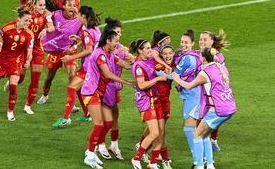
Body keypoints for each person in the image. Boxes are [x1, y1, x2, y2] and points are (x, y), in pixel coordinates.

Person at [172, 47, 236, 169]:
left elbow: (189, 86)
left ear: (204, 58)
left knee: (196, 135)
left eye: (200, 55)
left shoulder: (204, 73)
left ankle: (200, 166)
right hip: (230, 108)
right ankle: (210, 165)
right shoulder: (221, 67)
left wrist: (176, 78)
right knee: (205, 134)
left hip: (217, 111)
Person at [82, 30, 133, 169]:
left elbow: (126, 65)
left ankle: (91, 149)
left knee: (109, 121)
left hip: (99, 93)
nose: (117, 44)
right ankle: (90, 155)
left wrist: (138, 62)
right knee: (99, 124)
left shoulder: (110, 54)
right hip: (90, 92)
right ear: (108, 41)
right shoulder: (100, 55)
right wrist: (127, 82)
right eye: (115, 41)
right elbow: (108, 74)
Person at [52, 5, 101, 127]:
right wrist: (80, 38)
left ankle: (65, 119)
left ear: (83, 17)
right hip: (93, 65)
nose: (76, 16)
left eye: (78, 14)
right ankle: (87, 114)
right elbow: (93, 44)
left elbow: (89, 50)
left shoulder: (86, 31)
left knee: (72, 87)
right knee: (78, 89)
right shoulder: (94, 28)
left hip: (91, 67)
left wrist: (71, 57)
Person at [0, 9, 34, 121]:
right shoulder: (6, 28)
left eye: (30, 21)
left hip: (15, 62)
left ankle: (10, 111)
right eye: (26, 20)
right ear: (18, 19)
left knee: (13, 86)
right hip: (0, 60)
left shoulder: (29, 34)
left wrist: (28, 61)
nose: (28, 23)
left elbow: (29, 51)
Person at [129, 39, 168, 169]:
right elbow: (141, 85)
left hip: (155, 99)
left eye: (150, 47)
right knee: (154, 133)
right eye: (146, 48)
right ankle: (136, 159)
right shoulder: (139, 66)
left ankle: (152, 163)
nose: (150, 50)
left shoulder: (149, 60)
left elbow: (158, 53)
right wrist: (158, 78)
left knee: (160, 132)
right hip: (146, 101)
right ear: (140, 51)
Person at [37, 0, 82, 104]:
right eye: (70, 5)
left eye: (74, 5)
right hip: (55, 51)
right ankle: (45, 94)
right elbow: (45, 18)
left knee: (71, 74)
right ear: (64, 7)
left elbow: (80, 39)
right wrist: (45, 27)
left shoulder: (79, 21)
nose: (72, 7)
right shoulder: (56, 14)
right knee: (50, 77)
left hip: (69, 50)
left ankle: (71, 102)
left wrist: (73, 47)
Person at [172, 30, 202, 167]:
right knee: (194, 129)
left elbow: (174, 75)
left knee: (189, 129)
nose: (183, 44)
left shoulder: (187, 58)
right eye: (182, 42)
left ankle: (198, 161)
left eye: (186, 42)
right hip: (194, 95)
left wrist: (158, 73)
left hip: (193, 97)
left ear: (192, 43)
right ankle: (201, 159)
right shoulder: (194, 55)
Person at [22, 0, 55, 114]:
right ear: (34, 5)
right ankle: (12, 80)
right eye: (40, 5)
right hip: (24, 49)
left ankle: (28, 105)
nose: (42, 7)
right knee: (20, 78)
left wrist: (46, 29)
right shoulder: (26, 15)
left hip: (37, 50)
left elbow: (52, 27)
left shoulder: (46, 16)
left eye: (44, 5)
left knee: (35, 78)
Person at [198, 30, 230, 151]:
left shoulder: (218, 57)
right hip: (200, 92)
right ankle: (205, 141)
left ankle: (212, 139)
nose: (202, 41)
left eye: (205, 39)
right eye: (200, 39)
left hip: (213, 93)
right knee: (202, 118)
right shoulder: (198, 54)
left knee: (213, 117)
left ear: (211, 41)